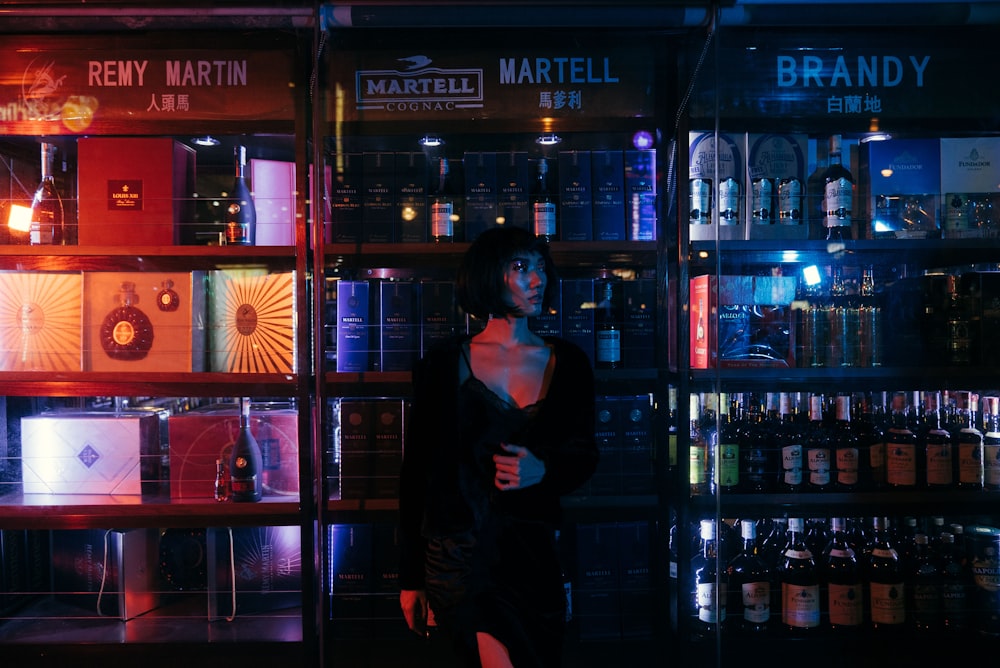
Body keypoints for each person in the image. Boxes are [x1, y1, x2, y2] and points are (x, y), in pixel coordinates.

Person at [399, 225, 599, 667]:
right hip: (461, 558)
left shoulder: (569, 362)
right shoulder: (443, 363)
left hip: (534, 556)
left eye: (539, 266)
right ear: (489, 274)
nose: (537, 278)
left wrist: (544, 469)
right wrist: (411, 575)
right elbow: (417, 472)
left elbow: (586, 455)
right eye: (519, 266)